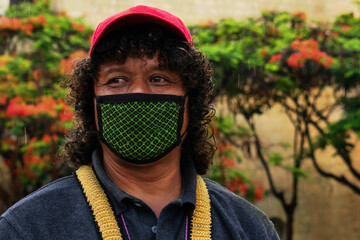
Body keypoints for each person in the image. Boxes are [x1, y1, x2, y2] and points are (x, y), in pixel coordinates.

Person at [0, 5, 280, 240]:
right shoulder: (27, 228)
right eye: (116, 80)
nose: (138, 94)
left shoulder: (250, 228)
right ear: (92, 105)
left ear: (190, 102)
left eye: (159, 78)